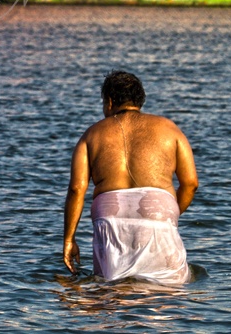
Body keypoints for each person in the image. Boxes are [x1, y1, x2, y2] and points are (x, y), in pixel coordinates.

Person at [63, 70, 197, 285]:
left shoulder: (91, 134)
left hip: (109, 212)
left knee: (112, 289)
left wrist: (69, 239)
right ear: (140, 100)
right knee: (168, 291)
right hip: (158, 208)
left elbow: (77, 189)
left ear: (108, 101)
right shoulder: (169, 129)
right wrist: (167, 214)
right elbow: (190, 184)